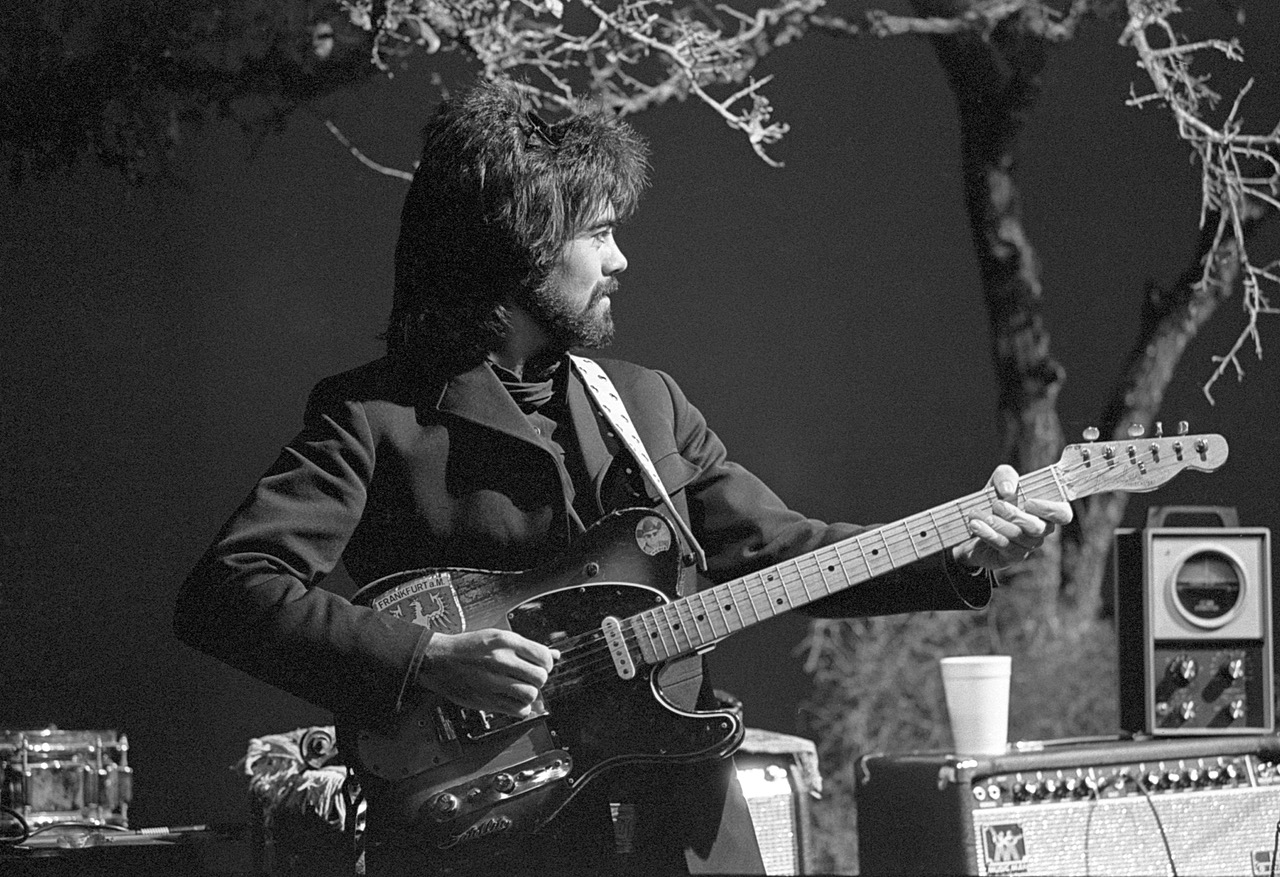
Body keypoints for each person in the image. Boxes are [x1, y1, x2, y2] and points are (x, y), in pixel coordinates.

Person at [173, 78, 1072, 876]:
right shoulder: (375, 417)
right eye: (598, 233)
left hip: (684, 830)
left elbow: (785, 552)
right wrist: (429, 659)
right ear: (513, 246)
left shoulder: (646, 402)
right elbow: (228, 591)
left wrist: (961, 547)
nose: (621, 260)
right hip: (488, 841)